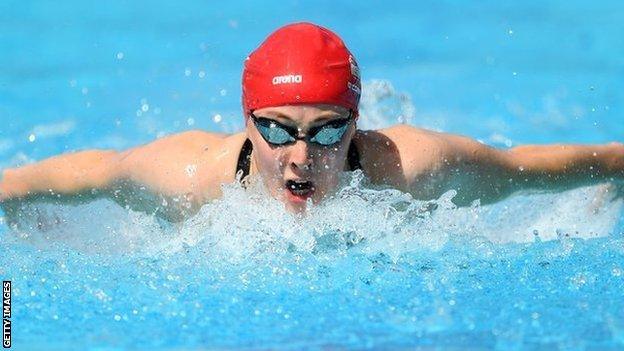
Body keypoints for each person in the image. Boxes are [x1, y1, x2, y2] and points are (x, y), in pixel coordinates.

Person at [0, 22, 623, 223]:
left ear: (355, 125)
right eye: (275, 130)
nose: (301, 155)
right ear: (246, 124)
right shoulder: (188, 177)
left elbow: (527, 170)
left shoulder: (409, 169)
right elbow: (80, 176)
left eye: (326, 130)